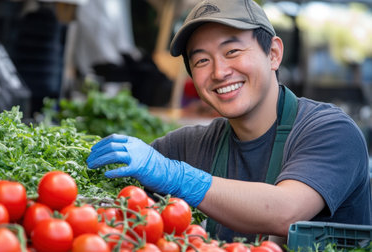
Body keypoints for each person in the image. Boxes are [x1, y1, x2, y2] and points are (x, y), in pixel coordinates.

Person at [86, 0, 372, 243]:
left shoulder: (331, 131)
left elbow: (286, 212)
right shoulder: (185, 147)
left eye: (232, 51)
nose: (220, 72)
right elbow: (106, 206)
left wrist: (178, 178)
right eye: (201, 61)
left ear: (273, 54)